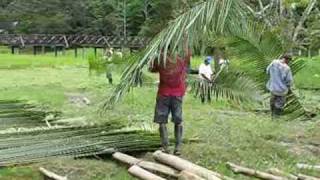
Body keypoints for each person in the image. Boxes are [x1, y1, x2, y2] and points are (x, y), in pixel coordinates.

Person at [149, 37, 191, 155]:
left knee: (162, 121)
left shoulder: (160, 60)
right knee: (178, 120)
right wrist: (185, 38)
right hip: (177, 94)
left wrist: (153, 54)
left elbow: (151, 68)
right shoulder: (180, 60)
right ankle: (177, 148)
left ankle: (165, 147)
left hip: (163, 94)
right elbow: (188, 53)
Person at [266, 54, 293, 119]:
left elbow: (267, 71)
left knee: (272, 103)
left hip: (273, 88)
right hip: (282, 90)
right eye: (289, 61)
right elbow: (289, 80)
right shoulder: (287, 68)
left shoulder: (273, 62)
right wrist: (288, 87)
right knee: (279, 105)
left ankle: (272, 117)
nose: (288, 62)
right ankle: (276, 118)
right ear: (287, 60)